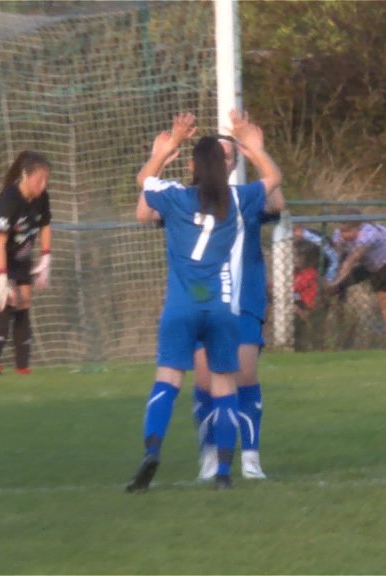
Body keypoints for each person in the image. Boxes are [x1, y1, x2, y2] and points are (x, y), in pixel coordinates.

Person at [126, 110, 282, 492]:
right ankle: (225, 473)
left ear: (193, 164)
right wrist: (257, 148)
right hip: (221, 307)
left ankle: (151, 451)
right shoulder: (239, 199)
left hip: (182, 307)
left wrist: (164, 149)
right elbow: (274, 181)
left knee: (168, 379)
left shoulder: (176, 198)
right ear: (225, 165)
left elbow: (143, 182)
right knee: (225, 385)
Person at [188, 131, 285, 482]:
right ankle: (211, 453)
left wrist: (258, 150)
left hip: (244, 300)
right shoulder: (186, 199)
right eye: (220, 155)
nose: (225, 161)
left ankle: (250, 457)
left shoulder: (245, 197)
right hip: (201, 302)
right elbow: (145, 211)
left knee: (243, 374)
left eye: (231, 156)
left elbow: (276, 204)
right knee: (205, 378)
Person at [0, 150, 52, 376]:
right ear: (25, 176)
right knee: (8, 300)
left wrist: (46, 257)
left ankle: (22, 368)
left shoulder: (42, 197)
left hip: (20, 250)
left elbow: (45, 226)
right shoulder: (8, 200)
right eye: (39, 179)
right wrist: (1, 278)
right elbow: (0, 242)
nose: (42, 185)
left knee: (25, 301)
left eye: (45, 180)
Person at [329, 213, 386, 344]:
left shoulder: (369, 233)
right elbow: (338, 257)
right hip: (369, 263)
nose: (343, 235)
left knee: (385, 298)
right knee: (335, 290)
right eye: (341, 230)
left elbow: (351, 260)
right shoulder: (338, 234)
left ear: (358, 228)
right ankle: (338, 332)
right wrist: (333, 281)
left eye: (348, 231)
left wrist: (336, 281)